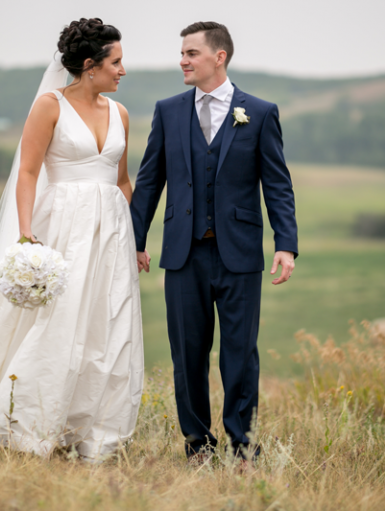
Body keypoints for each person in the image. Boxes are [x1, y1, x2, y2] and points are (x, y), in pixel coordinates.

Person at [0, 18, 144, 461]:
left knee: (102, 326)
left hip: (109, 233)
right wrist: (26, 233)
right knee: (51, 323)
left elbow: (123, 180)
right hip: (61, 229)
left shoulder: (121, 114)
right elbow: (29, 172)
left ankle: (88, 428)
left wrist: (134, 238)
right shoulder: (49, 105)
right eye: (117, 62)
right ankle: (22, 424)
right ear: (90, 66)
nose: (123, 71)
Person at [130, 22, 298, 465]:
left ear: (218, 57)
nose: (182, 60)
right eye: (181, 53)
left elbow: (277, 184)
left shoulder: (259, 112)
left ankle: (243, 443)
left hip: (239, 253)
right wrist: (136, 238)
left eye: (191, 53)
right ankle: (198, 445)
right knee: (187, 354)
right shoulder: (167, 111)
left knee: (241, 353)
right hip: (183, 254)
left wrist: (286, 244)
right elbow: (149, 181)